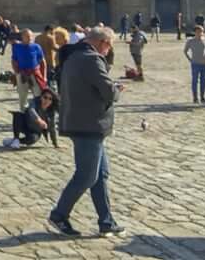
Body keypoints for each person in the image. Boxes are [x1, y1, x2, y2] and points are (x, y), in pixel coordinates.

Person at [49, 26, 125, 238]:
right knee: (86, 176)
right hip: (89, 124)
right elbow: (107, 91)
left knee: (100, 175)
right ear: (103, 43)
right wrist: (117, 89)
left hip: (79, 121)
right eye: (109, 46)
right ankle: (59, 214)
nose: (108, 51)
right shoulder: (92, 59)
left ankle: (106, 221)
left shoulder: (73, 56)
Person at [11, 29, 46, 110]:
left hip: (35, 74)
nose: (30, 38)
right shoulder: (16, 47)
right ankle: (23, 115)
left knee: (38, 95)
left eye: (31, 36)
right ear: (22, 37)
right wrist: (17, 74)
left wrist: (44, 76)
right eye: (27, 36)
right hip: (22, 74)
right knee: (22, 97)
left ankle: (39, 113)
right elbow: (14, 61)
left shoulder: (36, 47)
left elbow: (43, 62)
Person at [184, 26, 205, 104]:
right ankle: (195, 97)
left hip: (204, 64)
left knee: (203, 81)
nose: (200, 33)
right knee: (195, 81)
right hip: (195, 64)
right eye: (198, 31)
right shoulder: (190, 41)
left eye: (201, 31)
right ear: (195, 32)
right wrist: (190, 59)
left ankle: (202, 97)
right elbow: (185, 51)